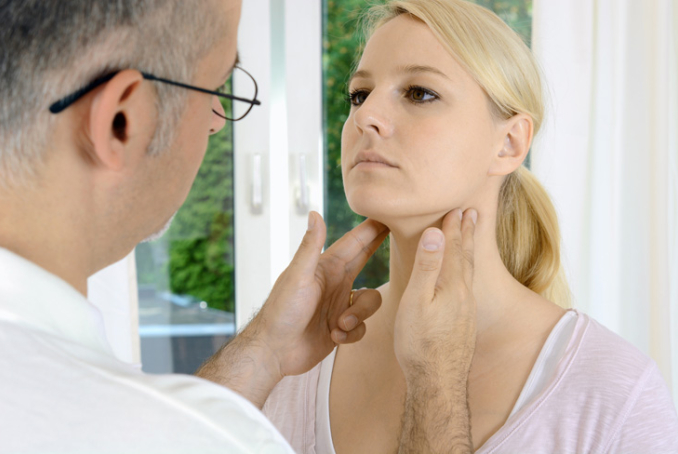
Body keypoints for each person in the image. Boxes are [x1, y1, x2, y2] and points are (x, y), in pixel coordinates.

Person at [0, 0, 479, 452]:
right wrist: (437, 382)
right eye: (214, 89)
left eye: (420, 93)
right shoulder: (159, 429)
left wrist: (265, 350)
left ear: (513, 141)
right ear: (121, 120)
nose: (216, 123)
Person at [261, 0, 678, 453]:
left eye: (419, 92)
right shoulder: (297, 355)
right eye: (360, 94)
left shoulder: (615, 393)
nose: (364, 117)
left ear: (509, 143)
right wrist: (262, 351)